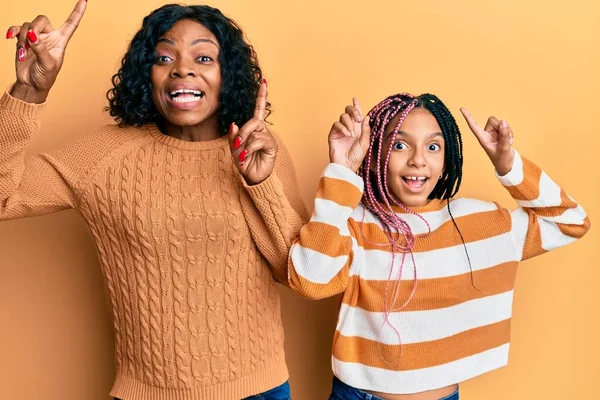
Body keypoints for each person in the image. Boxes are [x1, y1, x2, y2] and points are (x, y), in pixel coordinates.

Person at [2, 1, 308, 399]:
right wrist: (30, 89)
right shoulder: (103, 155)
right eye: (164, 57)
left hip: (259, 390)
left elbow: (298, 273)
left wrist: (261, 184)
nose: (183, 68)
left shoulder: (261, 150)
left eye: (203, 56)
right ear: (146, 74)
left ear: (226, 74)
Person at [287, 93, 590, 400]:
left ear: (447, 161)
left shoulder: (477, 222)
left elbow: (571, 222)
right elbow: (309, 281)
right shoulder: (354, 220)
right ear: (377, 153)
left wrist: (509, 166)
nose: (418, 159)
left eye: (433, 146)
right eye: (400, 145)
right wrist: (342, 170)